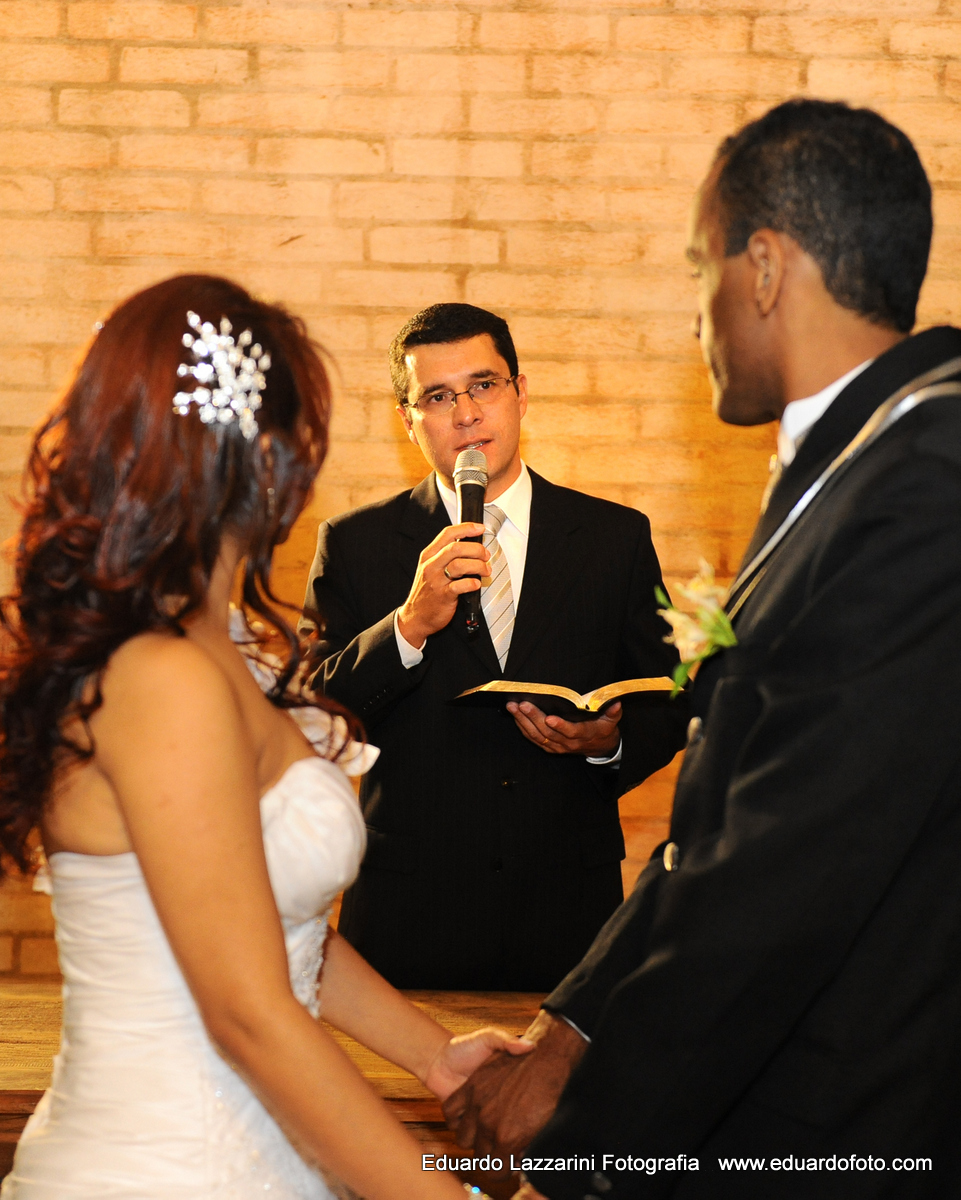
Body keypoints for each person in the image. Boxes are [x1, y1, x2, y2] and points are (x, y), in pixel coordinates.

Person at [444, 100, 961, 1198]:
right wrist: (569, 1032)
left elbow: (782, 874)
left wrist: (585, 1155)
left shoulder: (924, 485)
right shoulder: (866, 457)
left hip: (841, 1129)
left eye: (697, 268)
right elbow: (713, 831)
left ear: (763, 268)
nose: (696, 314)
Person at [0, 274, 530, 1200]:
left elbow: (273, 925)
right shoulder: (161, 675)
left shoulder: (232, 647)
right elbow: (246, 1011)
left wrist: (435, 1057)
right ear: (270, 457)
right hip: (169, 1170)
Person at [302, 303, 686, 990]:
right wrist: (409, 624)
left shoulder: (612, 538)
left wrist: (605, 741)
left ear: (520, 393)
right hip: (409, 914)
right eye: (438, 397)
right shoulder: (356, 544)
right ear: (408, 419)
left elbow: (668, 691)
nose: (467, 414)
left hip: (567, 912)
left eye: (484, 386)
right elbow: (311, 716)